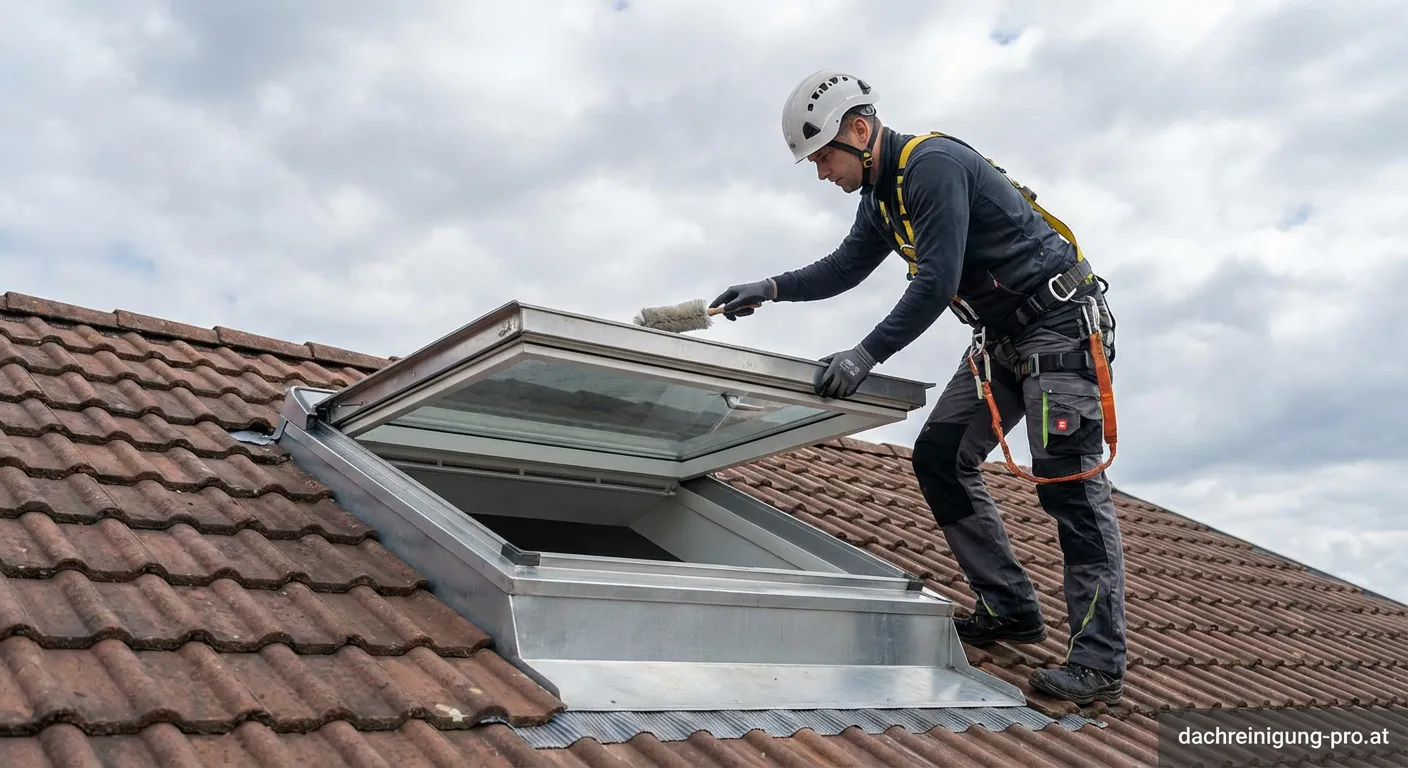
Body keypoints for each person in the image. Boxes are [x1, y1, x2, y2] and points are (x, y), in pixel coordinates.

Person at [711, 70, 1126, 706]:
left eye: (824, 157)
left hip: (1056, 327)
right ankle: (1010, 608)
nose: (822, 173)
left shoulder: (931, 166)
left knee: (1069, 487)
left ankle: (1098, 664)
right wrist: (768, 288)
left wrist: (865, 354)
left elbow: (935, 282)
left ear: (859, 129)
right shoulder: (880, 198)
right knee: (939, 456)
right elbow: (844, 267)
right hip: (1003, 338)